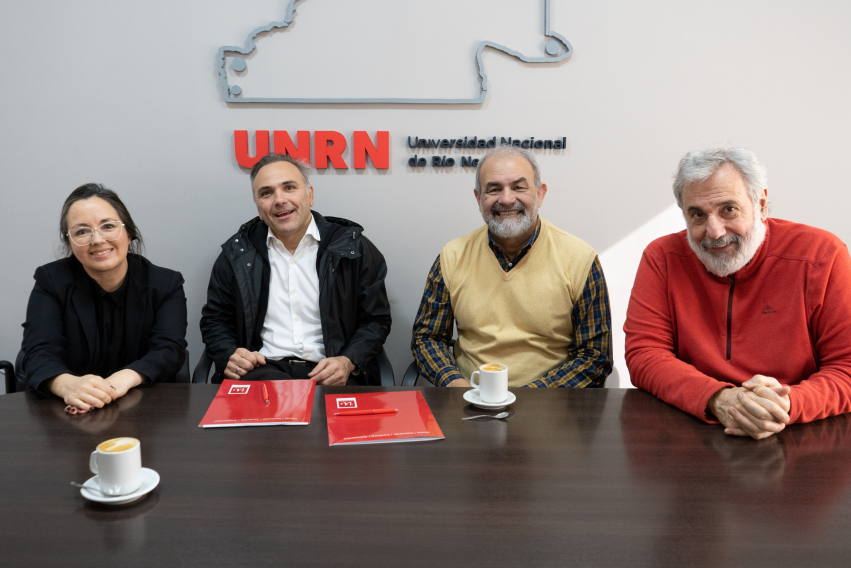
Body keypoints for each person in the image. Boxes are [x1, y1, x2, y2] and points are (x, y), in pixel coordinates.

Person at [625, 147, 851, 439]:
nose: (715, 231)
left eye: (728, 209)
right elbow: (645, 354)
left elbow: (846, 366)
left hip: (799, 431)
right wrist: (718, 398)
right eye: (698, 215)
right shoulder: (661, 257)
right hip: (693, 427)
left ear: (761, 205)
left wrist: (785, 404)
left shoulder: (823, 254)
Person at [411, 145, 612, 388]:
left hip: (548, 404)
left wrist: (527, 398)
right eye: (494, 189)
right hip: (469, 400)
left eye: (518, 187)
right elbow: (427, 338)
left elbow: (595, 357)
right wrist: (453, 382)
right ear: (479, 199)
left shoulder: (580, 259)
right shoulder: (452, 256)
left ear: (540, 194)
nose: (506, 199)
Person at [200, 154, 391, 385]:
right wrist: (229, 354)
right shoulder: (236, 254)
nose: (280, 200)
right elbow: (215, 320)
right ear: (259, 207)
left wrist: (348, 361)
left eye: (289, 187)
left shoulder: (353, 248)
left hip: (330, 374)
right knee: (272, 398)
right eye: (266, 193)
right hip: (262, 371)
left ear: (310, 195)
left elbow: (376, 320)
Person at [22, 183, 188, 414]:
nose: (97, 240)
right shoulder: (51, 281)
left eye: (108, 226)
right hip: (69, 410)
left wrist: (119, 382)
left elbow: (169, 349)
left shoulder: (165, 284)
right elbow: (38, 351)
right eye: (81, 231)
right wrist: (68, 385)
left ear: (129, 233)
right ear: (70, 243)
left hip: (144, 410)